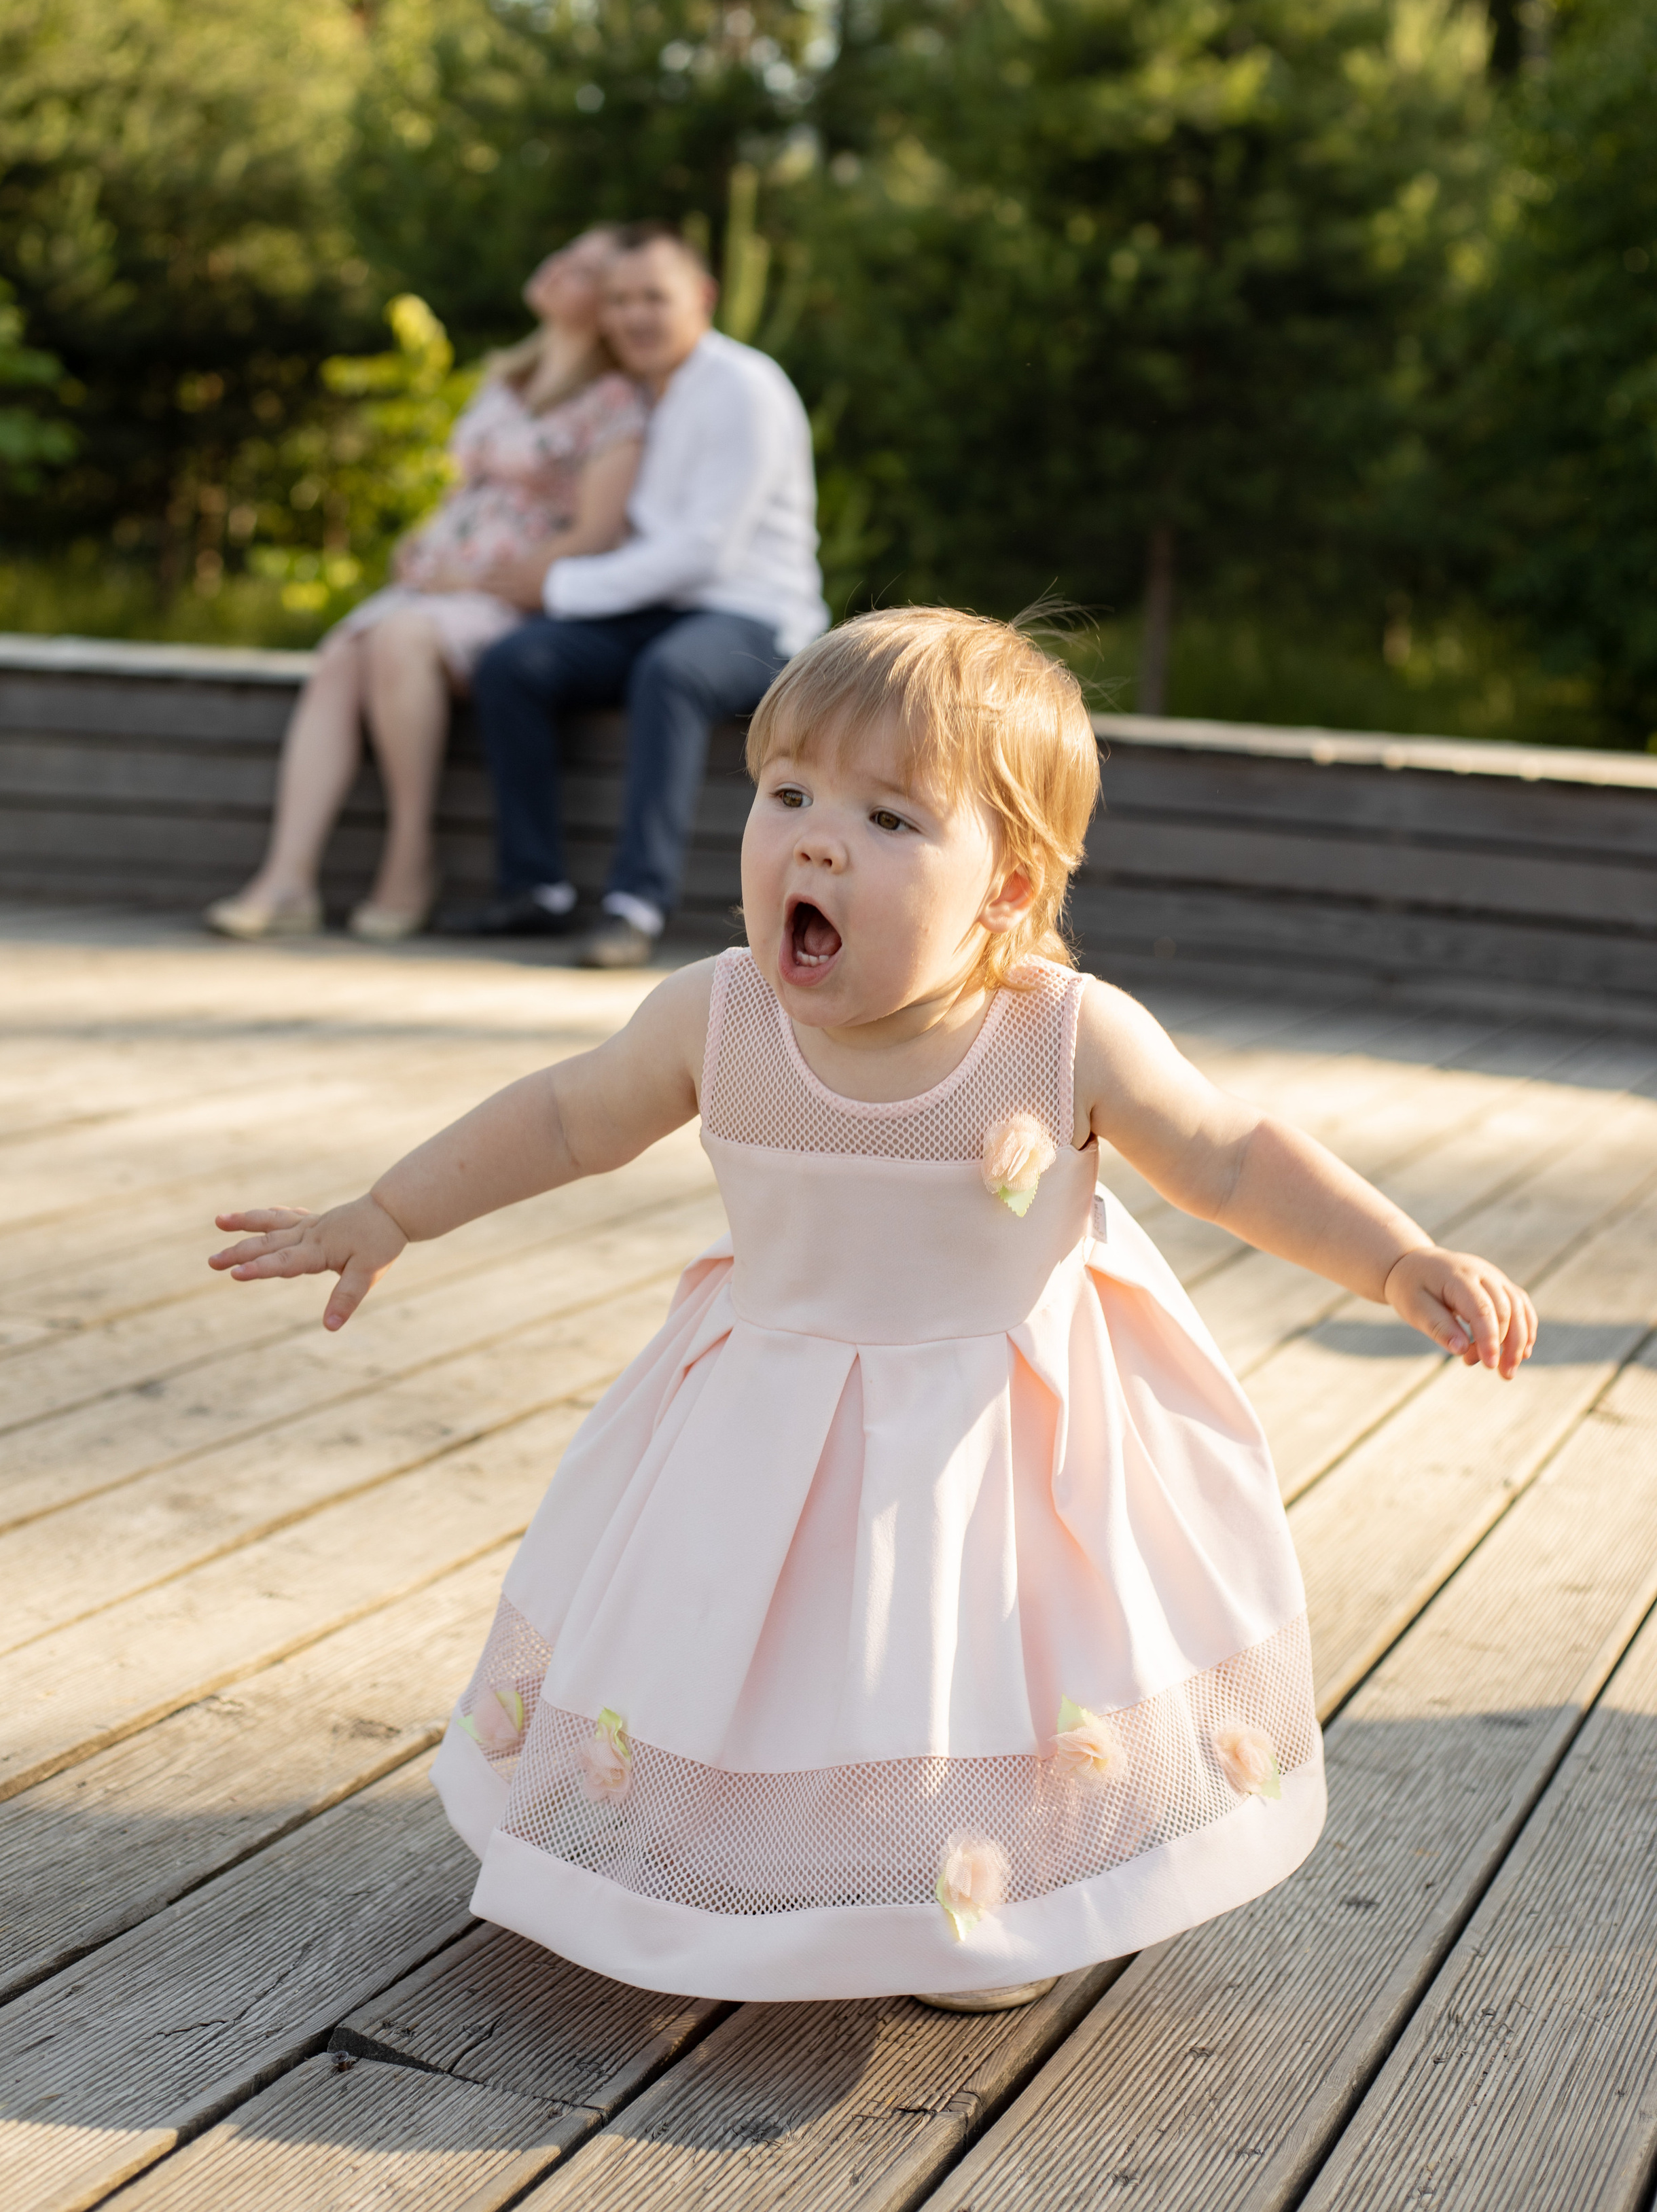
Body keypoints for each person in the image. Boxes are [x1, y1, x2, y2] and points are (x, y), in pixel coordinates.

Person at [211, 606, 1537, 2010]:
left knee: (968, 1668)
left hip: (996, 1443)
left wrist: (1395, 1262)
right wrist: (390, 1211)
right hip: (765, 1415)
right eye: (785, 795)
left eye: (890, 818)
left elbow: (1226, 1157)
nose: (816, 841)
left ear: (1008, 889)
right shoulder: (714, 1019)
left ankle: (979, 1884)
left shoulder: (1061, 1034)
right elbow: (560, 1118)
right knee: (756, 1646)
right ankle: (737, 1858)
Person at [205, 229, 647, 944]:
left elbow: (597, 531)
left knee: (396, 637)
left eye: (588, 268)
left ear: (606, 303)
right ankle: (286, 877)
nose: (561, 263)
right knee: (340, 657)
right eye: (565, 251)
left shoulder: (614, 402)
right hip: (435, 584)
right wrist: (423, 540)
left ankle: (410, 857)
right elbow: (468, 492)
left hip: (508, 597)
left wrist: (472, 575)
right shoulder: (505, 376)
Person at [442, 222, 827, 968]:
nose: (635, 316)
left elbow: (703, 551)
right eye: (619, 300)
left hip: (754, 615)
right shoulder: (629, 397)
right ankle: (536, 889)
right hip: (654, 611)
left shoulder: (745, 386)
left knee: (672, 672)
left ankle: (633, 907)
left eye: (655, 297)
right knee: (514, 663)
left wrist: (558, 584)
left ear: (703, 298)